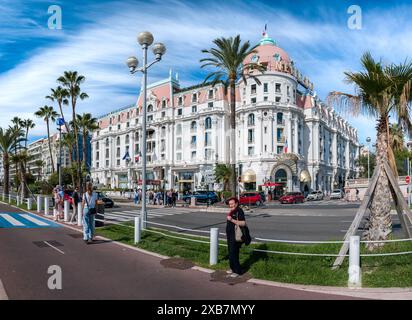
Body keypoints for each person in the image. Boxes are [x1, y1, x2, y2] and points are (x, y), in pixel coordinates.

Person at [225, 197, 246, 277]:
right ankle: (232, 268)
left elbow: (243, 223)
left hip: (235, 236)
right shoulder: (232, 211)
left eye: (232, 204)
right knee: (230, 252)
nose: (231, 205)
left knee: (234, 252)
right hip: (230, 236)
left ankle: (237, 271)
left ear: (236, 203)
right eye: (230, 204)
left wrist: (232, 220)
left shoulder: (239, 211)